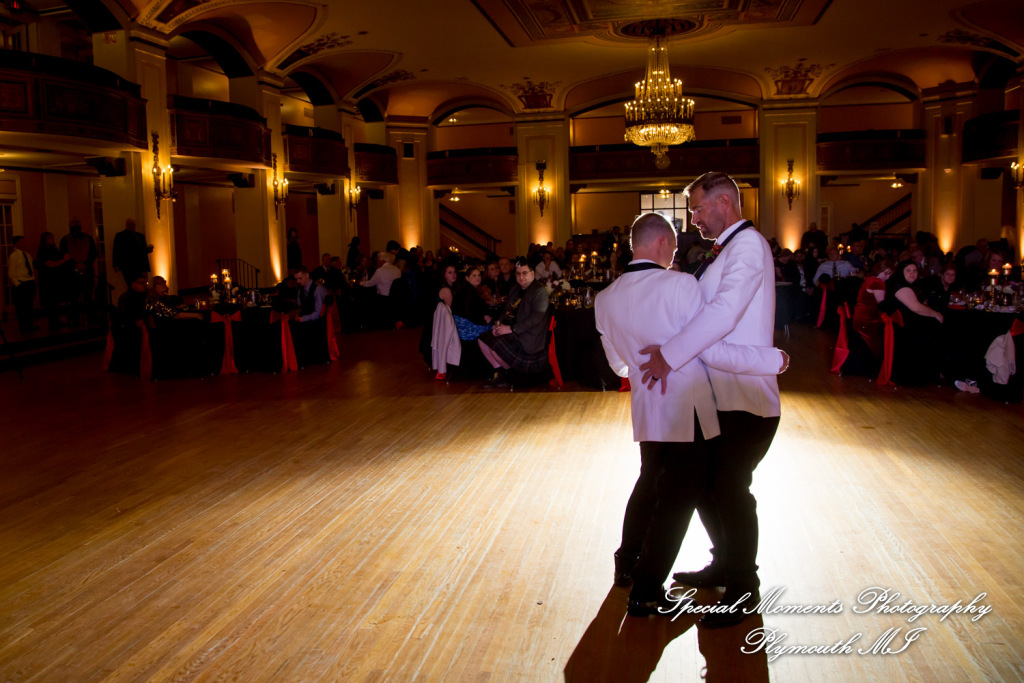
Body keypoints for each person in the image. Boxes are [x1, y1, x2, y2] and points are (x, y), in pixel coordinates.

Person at [596, 213, 786, 617]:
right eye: (675, 246)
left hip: (649, 411)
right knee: (678, 501)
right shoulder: (681, 285)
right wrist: (773, 359)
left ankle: (633, 563)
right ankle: (647, 590)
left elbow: (620, 367)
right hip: (692, 409)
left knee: (655, 485)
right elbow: (709, 347)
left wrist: (643, 364)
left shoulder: (605, 298)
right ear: (664, 244)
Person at [637, 171, 782, 628]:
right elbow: (700, 305)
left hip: (746, 395)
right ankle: (726, 563)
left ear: (724, 202)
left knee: (729, 489)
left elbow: (722, 313)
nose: (693, 219)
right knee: (706, 486)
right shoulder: (727, 251)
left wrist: (670, 356)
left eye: (698, 209)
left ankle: (744, 591)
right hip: (718, 392)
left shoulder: (748, 246)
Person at [477, 258, 549, 387]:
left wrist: (512, 329)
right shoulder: (515, 288)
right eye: (518, 273)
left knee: (495, 345)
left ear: (532, 274)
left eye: (524, 273)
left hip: (527, 336)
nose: (521, 277)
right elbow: (506, 310)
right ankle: (501, 373)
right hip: (511, 330)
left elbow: (537, 318)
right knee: (483, 339)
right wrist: (498, 323)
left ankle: (512, 374)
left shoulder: (539, 291)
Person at [852, 260, 894, 358]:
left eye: (889, 274)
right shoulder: (878, 283)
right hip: (868, 319)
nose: (888, 277)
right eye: (886, 274)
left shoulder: (869, 279)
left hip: (860, 316)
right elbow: (881, 304)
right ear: (880, 270)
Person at [59, 219, 98, 324]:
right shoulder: (65, 239)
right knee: (73, 297)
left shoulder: (88, 238)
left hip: (87, 270)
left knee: (88, 296)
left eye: (77, 224)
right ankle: (74, 318)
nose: (75, 226)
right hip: (72, 273)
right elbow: (64, 253)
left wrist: (86, 264)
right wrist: (75, 265)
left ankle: (90, 317)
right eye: (73, 224)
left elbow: (93, 253)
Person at [36, 231, 70, 331]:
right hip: (48, 281)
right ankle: (53, 322)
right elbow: (50, 264)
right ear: (45, 240)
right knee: (51, 302)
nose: (52, 239)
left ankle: (56, 321)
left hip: (55, 280)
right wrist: (64, 260)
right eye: (50, 238)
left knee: (55, 302)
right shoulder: (44, 251)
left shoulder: (54, 249)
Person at [452, 266, 492, 341]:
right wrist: (486, 321)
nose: (477, 278)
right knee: (496, 329)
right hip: (466, 328)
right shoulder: (468, 292)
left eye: (479, 275)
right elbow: (470, 313)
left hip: (462, 325)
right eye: (474, 275)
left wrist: (485, 314)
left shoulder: (468, 289)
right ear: (467, 278)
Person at [8, 235, 37, 334]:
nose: (24, 244)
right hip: (21, 283)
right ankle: (22, 325)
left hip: (29, 282)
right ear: (16, 244)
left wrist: (32, 280)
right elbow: (12, 271)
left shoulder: (28, 255)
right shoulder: (14, 256)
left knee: (29, 305)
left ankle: (29, 324)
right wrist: (17, 284)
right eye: (21, 242)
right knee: (21, 307)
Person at [111, 218, 153, 285]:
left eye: (132, 224)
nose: (131, 226)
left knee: (140, 284)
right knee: (132, 284)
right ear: (126, 225)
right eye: (129, 224)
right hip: (127, 265)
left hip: (139, 265)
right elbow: (116, 250)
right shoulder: (120, 236)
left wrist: (148, 249)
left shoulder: (140, 236)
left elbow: (142, 251)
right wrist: (115, 264)